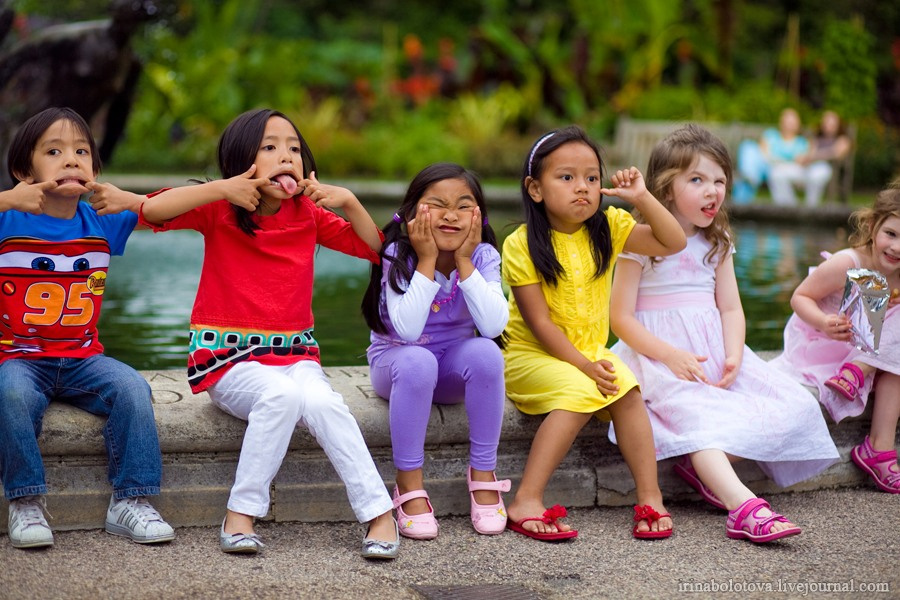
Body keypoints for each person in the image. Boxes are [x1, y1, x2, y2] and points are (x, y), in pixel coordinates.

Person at [139, 108, 400, 558]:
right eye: (271, 146)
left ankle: (379, 514)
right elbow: (151, 209)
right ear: (245, 159)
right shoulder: (221, 208)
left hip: (295, 358)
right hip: (227, 362)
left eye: (294, 148)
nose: (286, 155)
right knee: (280, 396)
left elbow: (377, 249)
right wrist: (223, 188)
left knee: (322, 401)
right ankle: (240, 514)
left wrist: (349, 202)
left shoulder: (309, 215)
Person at [609, 124, 840, 544]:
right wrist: (670, 355)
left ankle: (698, 469)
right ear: (664, 188)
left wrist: (734, 353)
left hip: (714, 352)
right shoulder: (639, 243)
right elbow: (620, 318)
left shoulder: (718, 241)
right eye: (696, 180)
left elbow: (730, 307)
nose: (712, 190)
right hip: (660, 357)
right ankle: (746, 509)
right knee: (703, 421)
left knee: (795, 407)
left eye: (719, 180)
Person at [0, 107, 174, 549]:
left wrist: (131, 200)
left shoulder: (103, 221)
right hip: (18, 358)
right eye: (54, 151)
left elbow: (172, 206)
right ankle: (25, 501)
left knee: (133, 388)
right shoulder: (8, 220)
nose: (71, 159)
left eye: (81, 151)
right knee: (10, 395)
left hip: (83, 360)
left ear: (95, 169)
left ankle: (130, 500)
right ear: (24, 169)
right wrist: (7, 199)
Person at [501, 125, 686, 541]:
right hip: (531, 357)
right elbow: (540, 324)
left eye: (591, 177)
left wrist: (641, 197)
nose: (581, 187)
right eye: (566, 178)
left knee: (629, 390)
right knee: (581, 390)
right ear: (535, 188)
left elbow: (673, 241)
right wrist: (585, 366)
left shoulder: (610, 227)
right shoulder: (522, 243)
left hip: (588, 351)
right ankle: (526, 500)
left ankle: (651, 497)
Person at [361, 163, 510, 540]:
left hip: (449, 369)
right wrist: (427, 261)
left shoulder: (484, 257)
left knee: (486, 353)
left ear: (479, 215)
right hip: (398, 363)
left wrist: (464, 262)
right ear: (412, 212)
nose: (450, 215)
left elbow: (494, 327)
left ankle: (484, 475)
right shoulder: (399, 253)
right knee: (417, 359)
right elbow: (407, 330)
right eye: (437, 204)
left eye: (464, 205)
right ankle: (408, 484)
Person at [770, 183, 900, 494]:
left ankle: (878, 447)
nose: (897, 247)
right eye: (891, 234)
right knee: (877, 295)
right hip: (826, 342)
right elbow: (799, 297)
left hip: (868, 354)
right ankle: (860, 373)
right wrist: (823, 322)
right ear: (872, 226)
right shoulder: (848, 263)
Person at [761, 108, 813, 207]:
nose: (790, 125)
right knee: (776, 174)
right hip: (771, 168)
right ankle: (788, 207)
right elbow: (764, 154)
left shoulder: (802, 142)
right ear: (781, 122)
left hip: (795, 171)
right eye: (787, 121)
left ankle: (788, 207)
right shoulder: (771, 135)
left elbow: (803, 159)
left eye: (793, 122)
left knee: (778, 174)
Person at [803, 110, 853, 206]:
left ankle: (810, 206)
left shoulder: (843, 139)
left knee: (817, 175)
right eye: (826, 123)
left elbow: (837, 154)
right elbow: (809, 153)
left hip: (830, 168)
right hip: (811, 167)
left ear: (838, 125)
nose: (828, 126)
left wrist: (816, 155)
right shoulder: (816, 138)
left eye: (832, 124)